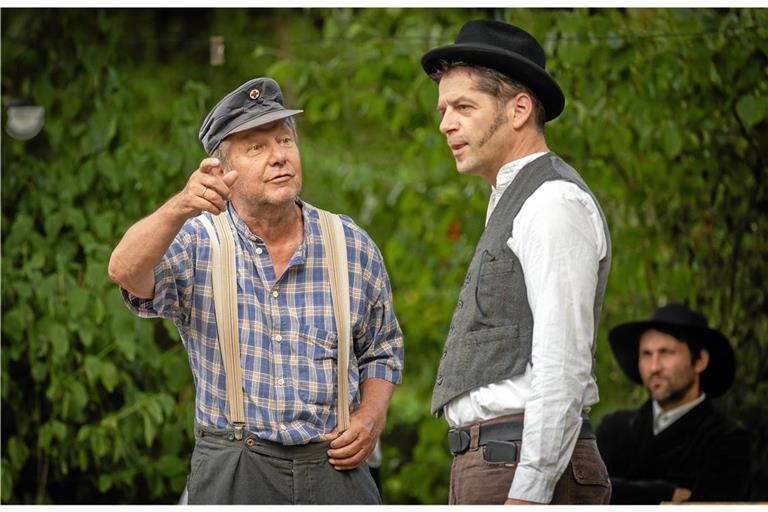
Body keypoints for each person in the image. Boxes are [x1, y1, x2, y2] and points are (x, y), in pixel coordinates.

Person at [107, 77, 404, 504]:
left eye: (285, 140)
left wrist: (371, 416)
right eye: (256, 148)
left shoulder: (349, 243)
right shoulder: (198, 242)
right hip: (234, 468)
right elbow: (124, 269)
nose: (279, 157)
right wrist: (180, 205)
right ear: (223, 171)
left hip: (334, 469)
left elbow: (383, 349)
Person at [421, 19, 612, 505]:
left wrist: (529, 490)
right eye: (444, 109)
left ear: (519, 109)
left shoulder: (552, 202)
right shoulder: (512, 199)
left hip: (519, 463)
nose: (446, 123)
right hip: (494, 461)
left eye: (464, 107)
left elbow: (563, 362)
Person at [596, 303, 750, 504]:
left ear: (700, 360)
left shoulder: (727, 440)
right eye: (646, 354)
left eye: (666, 352)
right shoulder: (614, 429)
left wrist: (616, 489)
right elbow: (582, 491)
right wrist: (667, 494)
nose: (654, 367)